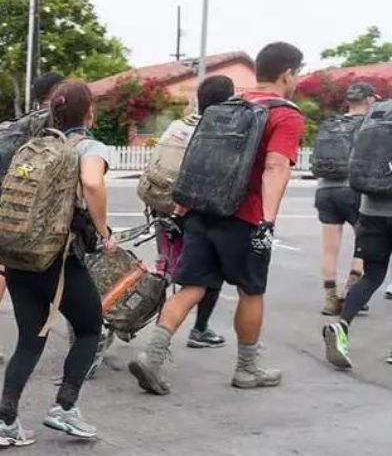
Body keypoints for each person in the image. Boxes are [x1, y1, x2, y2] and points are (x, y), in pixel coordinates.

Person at [129, 42, 306, 395]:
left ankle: (152, 356)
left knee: (191, 287)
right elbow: (274, 166)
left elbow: (196, 160)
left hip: (200, 211)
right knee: (251, 291)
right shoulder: (285, 115)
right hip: (245, 218)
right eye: (297, 72)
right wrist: (267, 223)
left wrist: (181, 209)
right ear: (287, 73)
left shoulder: (224, 108)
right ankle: (247, 369)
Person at [0, 80, 111, 447]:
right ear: (89, 112)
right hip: (56, 258)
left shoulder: (34, 144)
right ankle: (65, 407)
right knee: (91, 328)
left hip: (16, 254)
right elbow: (91, 182)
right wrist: (104, 232)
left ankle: (5, 422)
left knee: (30, 339)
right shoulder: (88, 145)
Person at [0, 72, 64, 365]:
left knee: (3, 268)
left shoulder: (17, 125)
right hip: (49, 213)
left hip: (12, 208)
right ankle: (86, 337)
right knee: (73, 269)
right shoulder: (60, 121)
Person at [152, 75, 236, 349]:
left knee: (164, 267)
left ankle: (147, 318)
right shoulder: (216, 133)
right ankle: (198, 329)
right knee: (207, 274)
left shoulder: (178, 126)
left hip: (160, 206)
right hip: (190, 212)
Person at [316, 83, 376, 316]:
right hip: (353, 189)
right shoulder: (369, 125)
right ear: (369, 100)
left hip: (325, 190)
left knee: (329, 248)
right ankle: (352, 293)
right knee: (364, 242)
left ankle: (330, 299)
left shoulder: (333, 123)